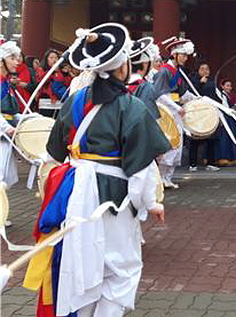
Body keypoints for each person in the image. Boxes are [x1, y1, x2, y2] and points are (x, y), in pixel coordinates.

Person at [23, 23, 170, 317]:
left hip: (73, 193)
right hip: (112, 200)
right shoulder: (132, 107)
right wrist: (149, 204)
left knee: (82, 268)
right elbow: (140, 171)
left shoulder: (74, 101)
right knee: (121, 270)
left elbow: (53, 154)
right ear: (122, 66)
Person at [153, 36, 195, 189]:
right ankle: (162, 177)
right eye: (183, 55)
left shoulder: (177, 72)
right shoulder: (164, 71)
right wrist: (177, 108)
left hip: (176, 110)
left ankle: (167, 177)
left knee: (177, 144)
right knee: (170, 143)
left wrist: (197, 99)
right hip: (166, 111)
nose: (185, 58)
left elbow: (183, 94)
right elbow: (160, 94)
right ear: (175, 55)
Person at [0, 41, 21, 224]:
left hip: (7, 134)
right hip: (2, 132)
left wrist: (28, 119)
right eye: (12, 58)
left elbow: (11, 112)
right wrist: (5, 127)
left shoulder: (6, 83)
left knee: (7, 175)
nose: (17, 61)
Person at [187, 61, 220, 172]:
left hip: (209, 112)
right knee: (195, 139)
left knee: (211, 139)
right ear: (198, 70)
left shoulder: (212, 81)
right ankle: (193, 164)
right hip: (197, 112)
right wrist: (200, 83)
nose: (205, 71)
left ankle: (211, 163)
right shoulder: (193, 80)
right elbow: (191, 93)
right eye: (202, 69)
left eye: (207, 69)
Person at [215, 78, 236, 167]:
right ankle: (223, 157)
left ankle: (232, 157)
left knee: (232, 137)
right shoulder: (221, 95)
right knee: (225, 138)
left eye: (230, 86)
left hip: (231, 119)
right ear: (222, 86)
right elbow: (226, 108)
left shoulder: (231, 95)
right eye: (227, 85)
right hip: (224, 119)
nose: (229, 87)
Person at [37, 48, 65, 116]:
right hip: (45, 99)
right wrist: (52, 71)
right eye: (51, 57)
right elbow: (42, 81)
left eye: (56, 58)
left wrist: (58, 72)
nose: (54, 60)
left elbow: (63, 83)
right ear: (47, 59)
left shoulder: (62, 71)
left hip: (58, 99)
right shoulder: (41, 69)